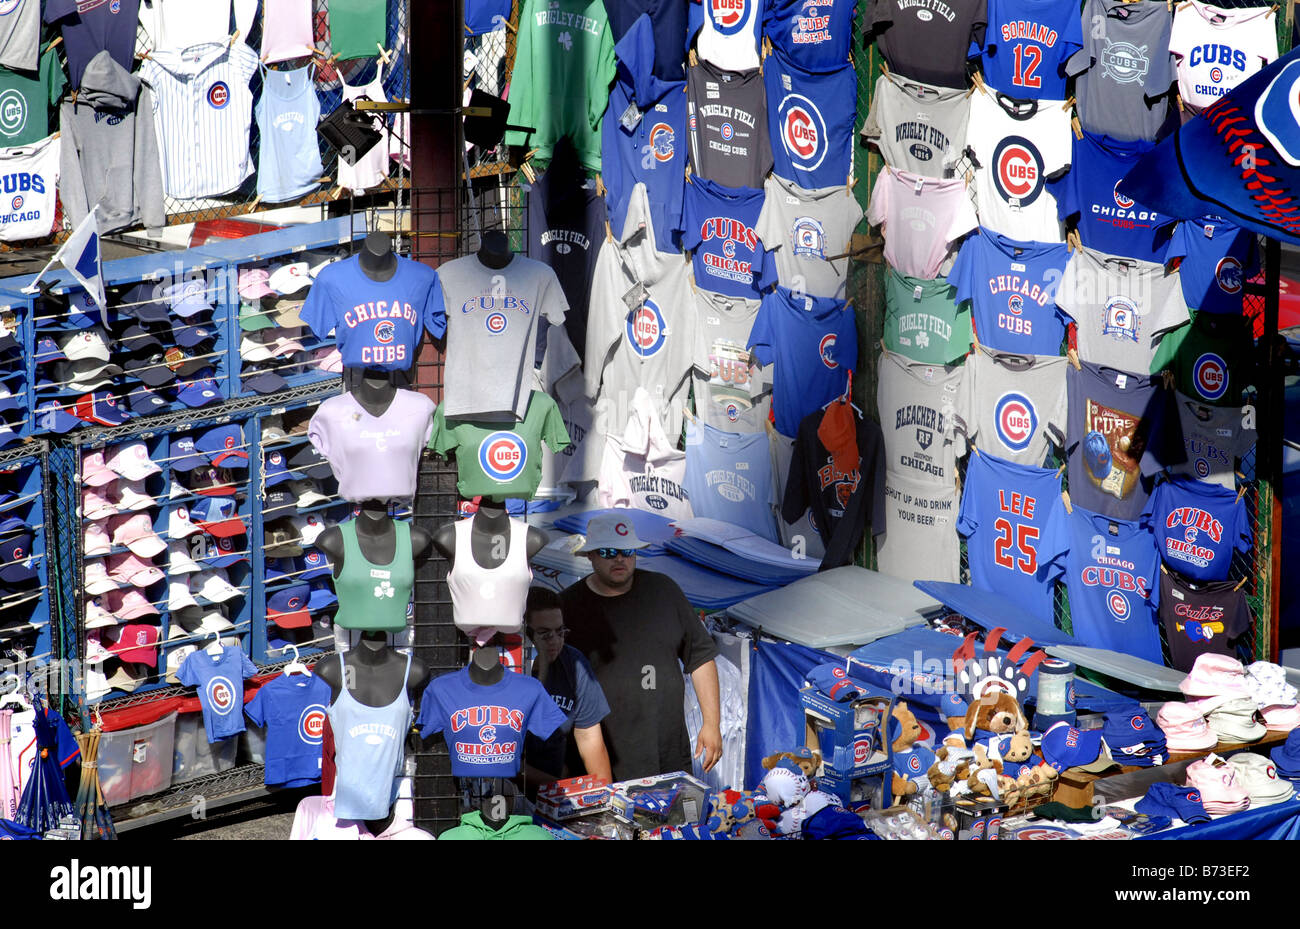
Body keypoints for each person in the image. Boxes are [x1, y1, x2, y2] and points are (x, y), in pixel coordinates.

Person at [559, 514, 722, 781]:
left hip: (664, 753)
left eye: (627, 551)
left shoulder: (664, 591)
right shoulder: (567, 607)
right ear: (590, 556)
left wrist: (712, 724)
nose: (620, 559)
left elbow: (701, 656)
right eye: (609, 552)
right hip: (600, 758)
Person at [521, 586, 613, 785]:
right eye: (545, 634)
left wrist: (607, 798)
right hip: (507, 791)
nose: (554, 641)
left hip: (552, 789)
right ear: (524, 633)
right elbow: (503, 760)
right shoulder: (508, 670)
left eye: (560, 632)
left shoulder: (574, 663)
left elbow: (590, 738)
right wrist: (561, 788)